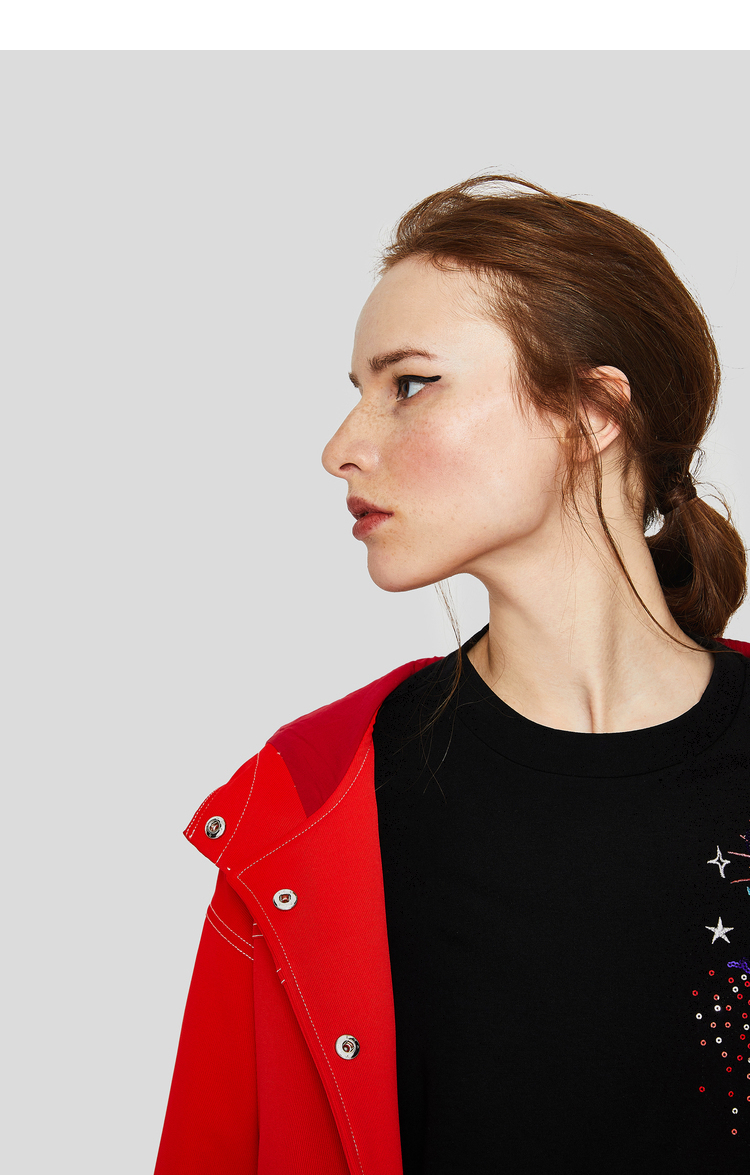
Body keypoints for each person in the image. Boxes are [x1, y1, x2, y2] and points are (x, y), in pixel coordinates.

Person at [154, 175, 750, 1175]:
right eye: (359, 391)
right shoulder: (305, 802)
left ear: (592, 411)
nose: (341, 449)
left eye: (409, 385)